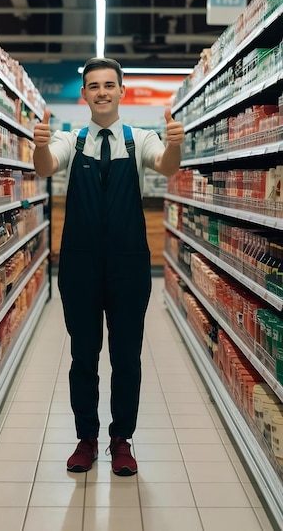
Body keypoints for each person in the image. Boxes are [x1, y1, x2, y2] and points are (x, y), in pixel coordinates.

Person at [33, 57, 184, 476]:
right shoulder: (70, 140)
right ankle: (86, 438)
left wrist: (175, 143)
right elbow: (45, 167)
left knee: (126, 357)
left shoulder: (140, 139)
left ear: (121, 92)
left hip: (128, 266)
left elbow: (167, 166)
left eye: (108, 85)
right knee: (83, 356)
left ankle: (122, 439)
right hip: (79, 266)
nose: (101, 91)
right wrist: (40, 145)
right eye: (93, 86)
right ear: (84, 95)